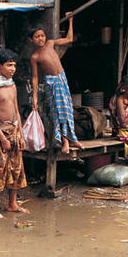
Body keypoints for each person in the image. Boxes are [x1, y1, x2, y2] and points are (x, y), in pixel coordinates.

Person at [0, 49, 30, 218]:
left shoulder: (12, 85)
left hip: (15, 131)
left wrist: (21, 135)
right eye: (9, 65)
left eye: (14, 65)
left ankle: (12, 204)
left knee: (16, 169)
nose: (12, 69)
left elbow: (17, 111)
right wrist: (2, 138)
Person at [29, 15, 84, 154]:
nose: (41, 38)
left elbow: (69, 39)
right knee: (59, 111)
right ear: (31, 40)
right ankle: (65, 141)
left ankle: (73, 139)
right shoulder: (35, 57)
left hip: (62, 79)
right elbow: (35, 77)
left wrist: (70, 21)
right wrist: (34, 97)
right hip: (52, 82)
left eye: (42, 35)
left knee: (68, 109)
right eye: (37, 37)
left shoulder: (51, 43)